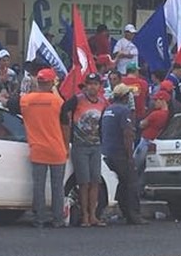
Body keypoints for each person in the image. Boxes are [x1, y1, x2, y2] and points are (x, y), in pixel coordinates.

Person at [21, 68, 68, 228]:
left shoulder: (26, 100)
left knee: (38, 186)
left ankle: (39, 219)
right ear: (52, 83)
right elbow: (65, 124)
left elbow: (11, 104)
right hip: (56, 149)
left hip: (38, 149)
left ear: (38, 82)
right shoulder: (57, 102)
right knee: (57, 187)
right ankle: (58, 219)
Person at [61, 72, 108, 228]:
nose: (92, 87)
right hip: (80, 145)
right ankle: (85, 216)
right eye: (90, 84)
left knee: (95, 181)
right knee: (83, 182)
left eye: (95, 84)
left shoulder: (102, 102)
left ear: (99, 86)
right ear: (85, 86)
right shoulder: (77, 100)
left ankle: (93, 215)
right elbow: (64, 112)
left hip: (96, 145)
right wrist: (67, 136)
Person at [100, 83, 146, 225]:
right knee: (132, 184)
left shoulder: (108, 109)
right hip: (120, 153)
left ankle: (125, 211)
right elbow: (127, 134)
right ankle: (134, 215)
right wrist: (130, 155)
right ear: (126, 97)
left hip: (107, 151)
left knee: (121, 183)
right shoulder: (124, 111)